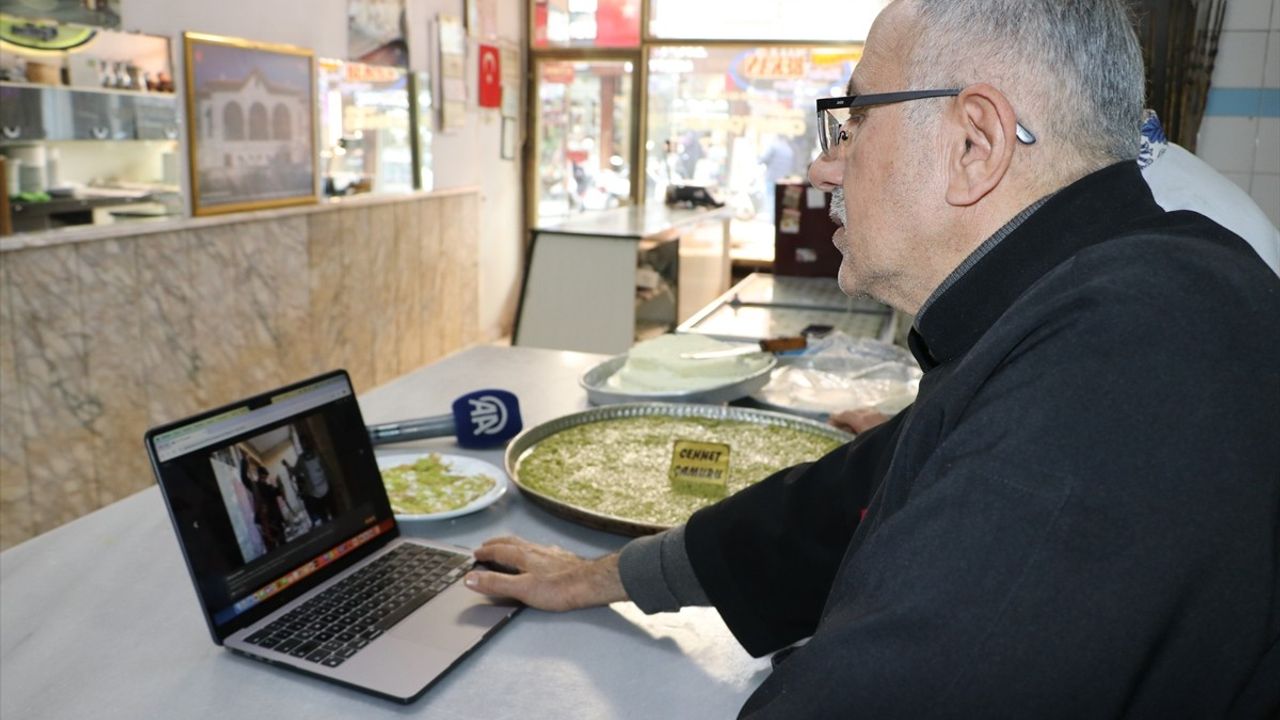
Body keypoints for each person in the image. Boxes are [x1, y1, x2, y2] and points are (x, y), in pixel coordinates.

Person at [465, 1, 1280, 716]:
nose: (823, 165)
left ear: (974, 142)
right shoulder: (1104, 295)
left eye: (851, 119)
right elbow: (834, 504)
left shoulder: (1124, 360)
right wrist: (598, 578)